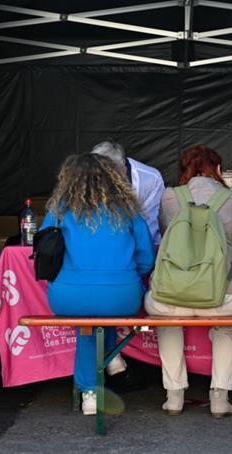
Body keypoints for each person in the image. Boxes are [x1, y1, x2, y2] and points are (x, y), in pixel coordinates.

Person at [145, 145, 232, 418]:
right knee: (228, 327)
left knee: (167, 323)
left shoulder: (169, 197)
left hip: (171, 294)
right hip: (225, 296)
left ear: (184, 170)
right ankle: (220, 398)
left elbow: (167, 235)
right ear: (218, 170)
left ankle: (174, 395)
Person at [40, 153, 155, 416]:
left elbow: (45, 254)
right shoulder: (129, 211)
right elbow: (147, 259)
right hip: (122, 296)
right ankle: (111, 355)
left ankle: (90, 392)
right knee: (103, 311)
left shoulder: (58, 211)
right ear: (113, 178)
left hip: (68, 295)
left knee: (88, 325)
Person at [91, 141, 165, 245]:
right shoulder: (86, 178)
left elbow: (151, 230)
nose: (102, 183)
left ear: (123, 170)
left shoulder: (150, 179)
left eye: (107, 178)